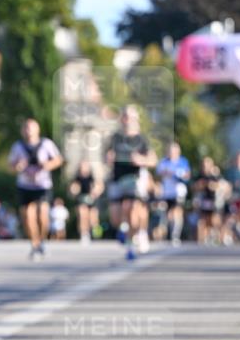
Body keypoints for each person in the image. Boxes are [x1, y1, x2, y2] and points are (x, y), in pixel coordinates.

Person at [105, 105, 157, 260]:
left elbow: (153, 160)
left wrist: (141, 160)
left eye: (131, 117)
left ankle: (133, 240)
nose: (128, 120)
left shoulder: (141, 140)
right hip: (117, 179)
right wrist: (108, 158)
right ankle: (127, 231)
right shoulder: (115, 138)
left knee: (134, 211)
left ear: (136, 119)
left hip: (134, 180)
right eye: (125, 116)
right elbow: (106, 156)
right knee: (115, 217)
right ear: (122, 119)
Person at [8, 118, 63, 260]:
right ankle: (34, 244)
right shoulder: (18, 146)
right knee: (27, 216)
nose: (29, 130)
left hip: (42, 185)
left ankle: (42, 240)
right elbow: (11, 166)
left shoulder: (46, 144)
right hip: (25, 185)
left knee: (42, 215)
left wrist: (47, 165)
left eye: (32, 127)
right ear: (23, 131)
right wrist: (17, 166)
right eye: (26, 127)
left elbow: (58, 160)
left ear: (37, 130)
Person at [155, 141, 190, 245]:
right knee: (168, 215)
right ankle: (168, 232)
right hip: (166, 192)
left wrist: (179, 175)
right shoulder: (164, 162)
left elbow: (187, 175)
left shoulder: (183, 161)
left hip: (178, 191)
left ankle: (175, 235)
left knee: (177, 212)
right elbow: (159, 173)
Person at [68, 161, 102, 245]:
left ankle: (94, 233)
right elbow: (72, 189)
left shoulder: (92, 178)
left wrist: (96, 191)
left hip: (91, 200)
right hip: (81, 200)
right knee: (83, 216)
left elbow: (99, 186)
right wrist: (74, 190)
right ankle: (84, 234)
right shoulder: (77, 179)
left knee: (93, 219)